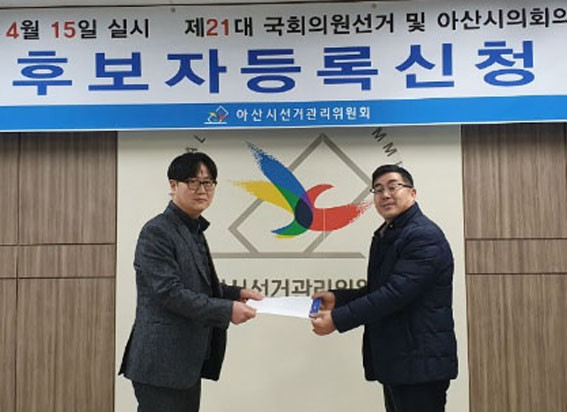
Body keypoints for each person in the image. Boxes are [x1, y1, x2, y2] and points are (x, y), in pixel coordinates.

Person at [120, 151, 262, 412]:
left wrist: (235, 294)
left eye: (208, 183)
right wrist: (227, 310)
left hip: (184, 363)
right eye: (193, 182)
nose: (202, 190)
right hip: (161, 365)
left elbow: (198, 285)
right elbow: (169, 293)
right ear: (173, 185)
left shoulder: (192, 228)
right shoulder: (157, 231)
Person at [311, 164, 457, 412]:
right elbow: (382, 288)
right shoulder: (390, 233)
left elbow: (394, 294)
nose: (385, 195)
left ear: (412, 193)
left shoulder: (423, 236)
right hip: (400, 360)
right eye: (378, 189)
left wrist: (338, 318)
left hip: (420, 363)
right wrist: (339, 299)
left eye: (393, 187)